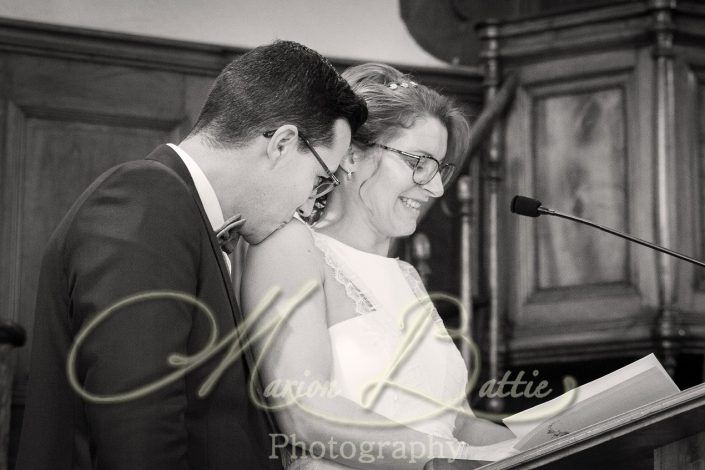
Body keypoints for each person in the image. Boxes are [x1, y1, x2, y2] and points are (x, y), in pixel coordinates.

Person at [16, 40, 367, 470]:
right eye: (320, 179)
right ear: (281, 143)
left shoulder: (179, 212)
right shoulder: (145, 198)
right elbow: (138, 439)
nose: (310, 203)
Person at [241, 63, 516, 470]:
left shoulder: (406, 276)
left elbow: (453, 423)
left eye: (440, 168)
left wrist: (552, 440)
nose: (436, 187)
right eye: (418, 161)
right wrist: (446, 461)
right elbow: (306, 415)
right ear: (352, 154)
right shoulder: (292, 247)